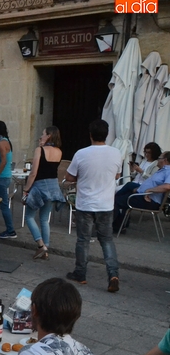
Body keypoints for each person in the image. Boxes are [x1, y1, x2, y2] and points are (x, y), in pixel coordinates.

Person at [64, 119, 121, 292]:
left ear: (90, 135)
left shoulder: (81, 154)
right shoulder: (116, 153)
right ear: (107, 134)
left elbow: (69, 177)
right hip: (106, 204)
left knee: (83, 240)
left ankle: (80, 273)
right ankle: (113, 274)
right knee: (107, 240)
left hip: (86, 203)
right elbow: (117, 175)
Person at [23, 126, 65, 260]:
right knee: (44, 219)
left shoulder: (39, 150)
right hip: (53, 187)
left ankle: (41, 245)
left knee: (29, 216)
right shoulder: (59, 151)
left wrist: (26, 189)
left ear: (49, 136)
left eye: (43, 134)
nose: (41, 136)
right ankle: (45, 248)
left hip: (40, 186)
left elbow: (33, 172)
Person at [113, 151, 170, 232]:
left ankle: (114, 226)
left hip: (150, 200)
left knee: (115, 201)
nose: (157, 160)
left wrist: (149, 190)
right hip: (143, 195)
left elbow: (167, 186)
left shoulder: (168, 171)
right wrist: (140, 189)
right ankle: (120, 225)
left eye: (159, 158)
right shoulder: (162, 170)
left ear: (165, 160)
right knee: (126, 192)